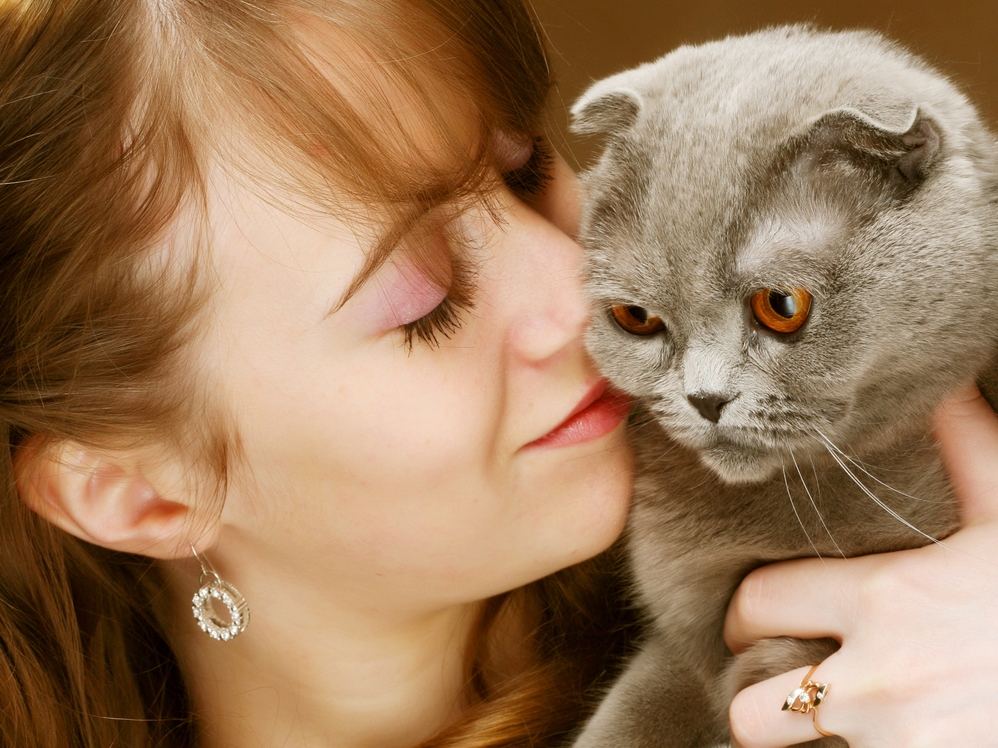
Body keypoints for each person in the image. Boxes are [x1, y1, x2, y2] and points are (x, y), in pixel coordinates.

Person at [1, 2, 996, 748]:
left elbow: (798, 697)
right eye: (425, 299)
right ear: (138, 492)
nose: (573, 287)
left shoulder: (882, 507)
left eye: (525, 170)